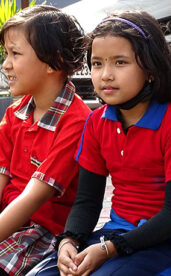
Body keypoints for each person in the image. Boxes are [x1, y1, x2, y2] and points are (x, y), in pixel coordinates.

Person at [27, 10, 171, 276]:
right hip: (117, 234)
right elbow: (88, 202)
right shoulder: (96, 122)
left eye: (120, 63)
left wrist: (109, 250)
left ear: (151, 68)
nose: (105, 75)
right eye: (98, 63)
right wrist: (69, 240)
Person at [0, 5, 91, 276]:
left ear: (54, 62)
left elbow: (33, 198)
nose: (6, 64)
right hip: (9, 222)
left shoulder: (76, 122)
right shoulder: (15, 113)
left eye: (15, 54)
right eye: (7, 53)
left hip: (42, 233)